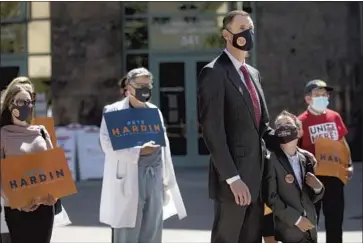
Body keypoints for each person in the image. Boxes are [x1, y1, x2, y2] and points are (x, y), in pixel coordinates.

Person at [197, 10, 316, 243]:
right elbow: (212, 132)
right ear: (226, 34)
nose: (247, 33)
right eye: (241, 28)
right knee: (228, 238)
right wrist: (232, 178)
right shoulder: (214, 73)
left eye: (250, 28)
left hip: (258, 178)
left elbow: (262, 128)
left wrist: (289, 142)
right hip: (233, 183)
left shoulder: (253, 73)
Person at [99, 67, 187, 243]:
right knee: (127, 230)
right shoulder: (114, 111)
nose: (145, 89)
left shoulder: (154, 111)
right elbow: (107, 145)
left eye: (148, 85)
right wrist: (138, 151)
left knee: (152, 227)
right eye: (140, 85)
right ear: (129, 87)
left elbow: (163, 145)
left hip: (154, 175)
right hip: (129, 175)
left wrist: (165, 179)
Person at [0, 77, 58, 243]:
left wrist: (55, 193)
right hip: (16, 208)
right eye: (20, 102)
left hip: (45, 207)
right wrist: (16, 202)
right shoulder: (3, 134)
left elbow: (53, 165)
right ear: (10, 104)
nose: (25, 106)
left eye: (28, 102)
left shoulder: (41, 131)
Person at [298, 79, 353, 243]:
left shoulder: (334, 116)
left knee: (335, 219)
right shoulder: (300, 121)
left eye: (324, 94)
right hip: (312, 178)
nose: (322, 97)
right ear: (308, 98)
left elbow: (342, 142)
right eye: (318, 95)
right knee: (311, 220)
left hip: (334, 176)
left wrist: (348, 165)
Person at [263, 110, 324, 243]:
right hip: (287, 229)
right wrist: (296, 219)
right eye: (280, 125)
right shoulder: (271, 160)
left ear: (298, 131)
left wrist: (318, 188)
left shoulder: (305, 159)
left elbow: (311, 197)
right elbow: (271, 198)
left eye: (289, 125)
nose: (285, 129)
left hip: (310, 228)